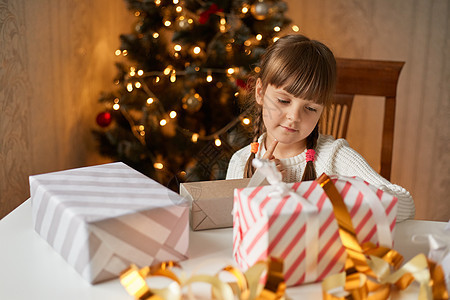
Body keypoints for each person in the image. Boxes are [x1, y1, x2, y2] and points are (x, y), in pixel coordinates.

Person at [226, 34, 415, 222]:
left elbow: (405, 203)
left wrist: (335, 199)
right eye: (283, 101)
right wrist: (256, 187)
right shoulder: (240, 162)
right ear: (260, 92)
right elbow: (229, 227)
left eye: (310, 108)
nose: (294, 116)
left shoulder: (333, 157)